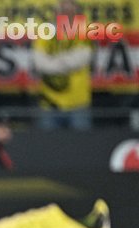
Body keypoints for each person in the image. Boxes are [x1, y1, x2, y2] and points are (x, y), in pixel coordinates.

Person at [32, 0, 93, 130]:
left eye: (69, 11)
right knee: (46, 141)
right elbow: (39, 63)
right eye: (62, 11)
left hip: (78, 104)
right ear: (55, 13)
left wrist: (53, 61)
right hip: (49, 104)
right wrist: (66, 62)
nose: (65, 15)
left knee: (82, 142)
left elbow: (81, 59)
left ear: (77, 14)